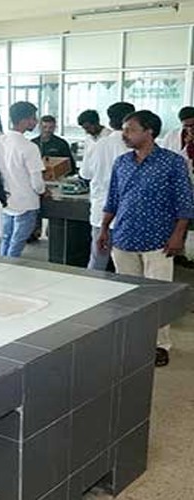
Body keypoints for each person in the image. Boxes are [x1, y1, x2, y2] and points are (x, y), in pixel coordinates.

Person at [98, 110, 194, 368]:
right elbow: (113, 199)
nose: (125, 134)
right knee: (128, 294)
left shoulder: (172, 162)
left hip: (159, 241)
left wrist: (177, 236)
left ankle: (160, 345)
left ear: (149, 131)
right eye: (124, 129)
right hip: (125, 238)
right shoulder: (122, 162)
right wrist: (105, 228)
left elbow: (185, 203)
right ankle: (132, 339)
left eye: (130, 129)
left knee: (157, 295)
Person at [79, 102, 135, 272]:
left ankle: (91, 293)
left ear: (110, 122)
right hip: (126, 212)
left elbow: (85, 174)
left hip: (100, 210)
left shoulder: (99, 145)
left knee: (98, 258)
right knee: (128, 263)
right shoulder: (134, 147)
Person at [0, 102, 46, 258]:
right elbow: (37, 183)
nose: (36, 122)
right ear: (24, 121)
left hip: (4, 200)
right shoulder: (29, 147)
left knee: (5, 239)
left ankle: (2, 270)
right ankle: (10, 272)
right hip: (26, 203)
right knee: (17, 243)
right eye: (33, 118)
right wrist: (44, 190)